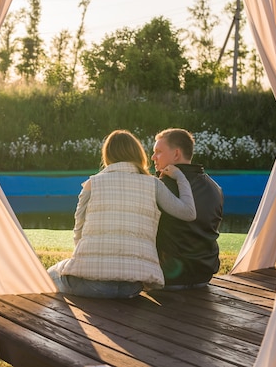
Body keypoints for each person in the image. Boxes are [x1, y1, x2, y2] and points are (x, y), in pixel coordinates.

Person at [47, 129, 196, 298]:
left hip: (91, 285)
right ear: (137, 153)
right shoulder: (154, 185)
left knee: (47, 275)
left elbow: (78, 231)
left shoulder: (92, 184)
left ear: (108, 155)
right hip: (131, 287)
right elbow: (189, 212)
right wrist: (180, 177)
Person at [151, 128, 224, 290]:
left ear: (176, 154)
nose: (153, 157)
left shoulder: (161, 187)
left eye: (158, 152)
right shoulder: (215, 188)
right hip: (203, 275)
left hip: (168, 277)